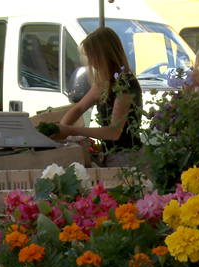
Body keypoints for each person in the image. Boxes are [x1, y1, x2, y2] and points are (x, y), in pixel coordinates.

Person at [51, 27, 143, 167]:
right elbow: (79, 108)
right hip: (112, 156)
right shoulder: (105, 82)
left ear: (104, 55)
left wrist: (70, 130)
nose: (92, 63)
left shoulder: (125, 84)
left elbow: (114, 132)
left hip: (127, 159)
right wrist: (60, 130)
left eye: (92, 57)